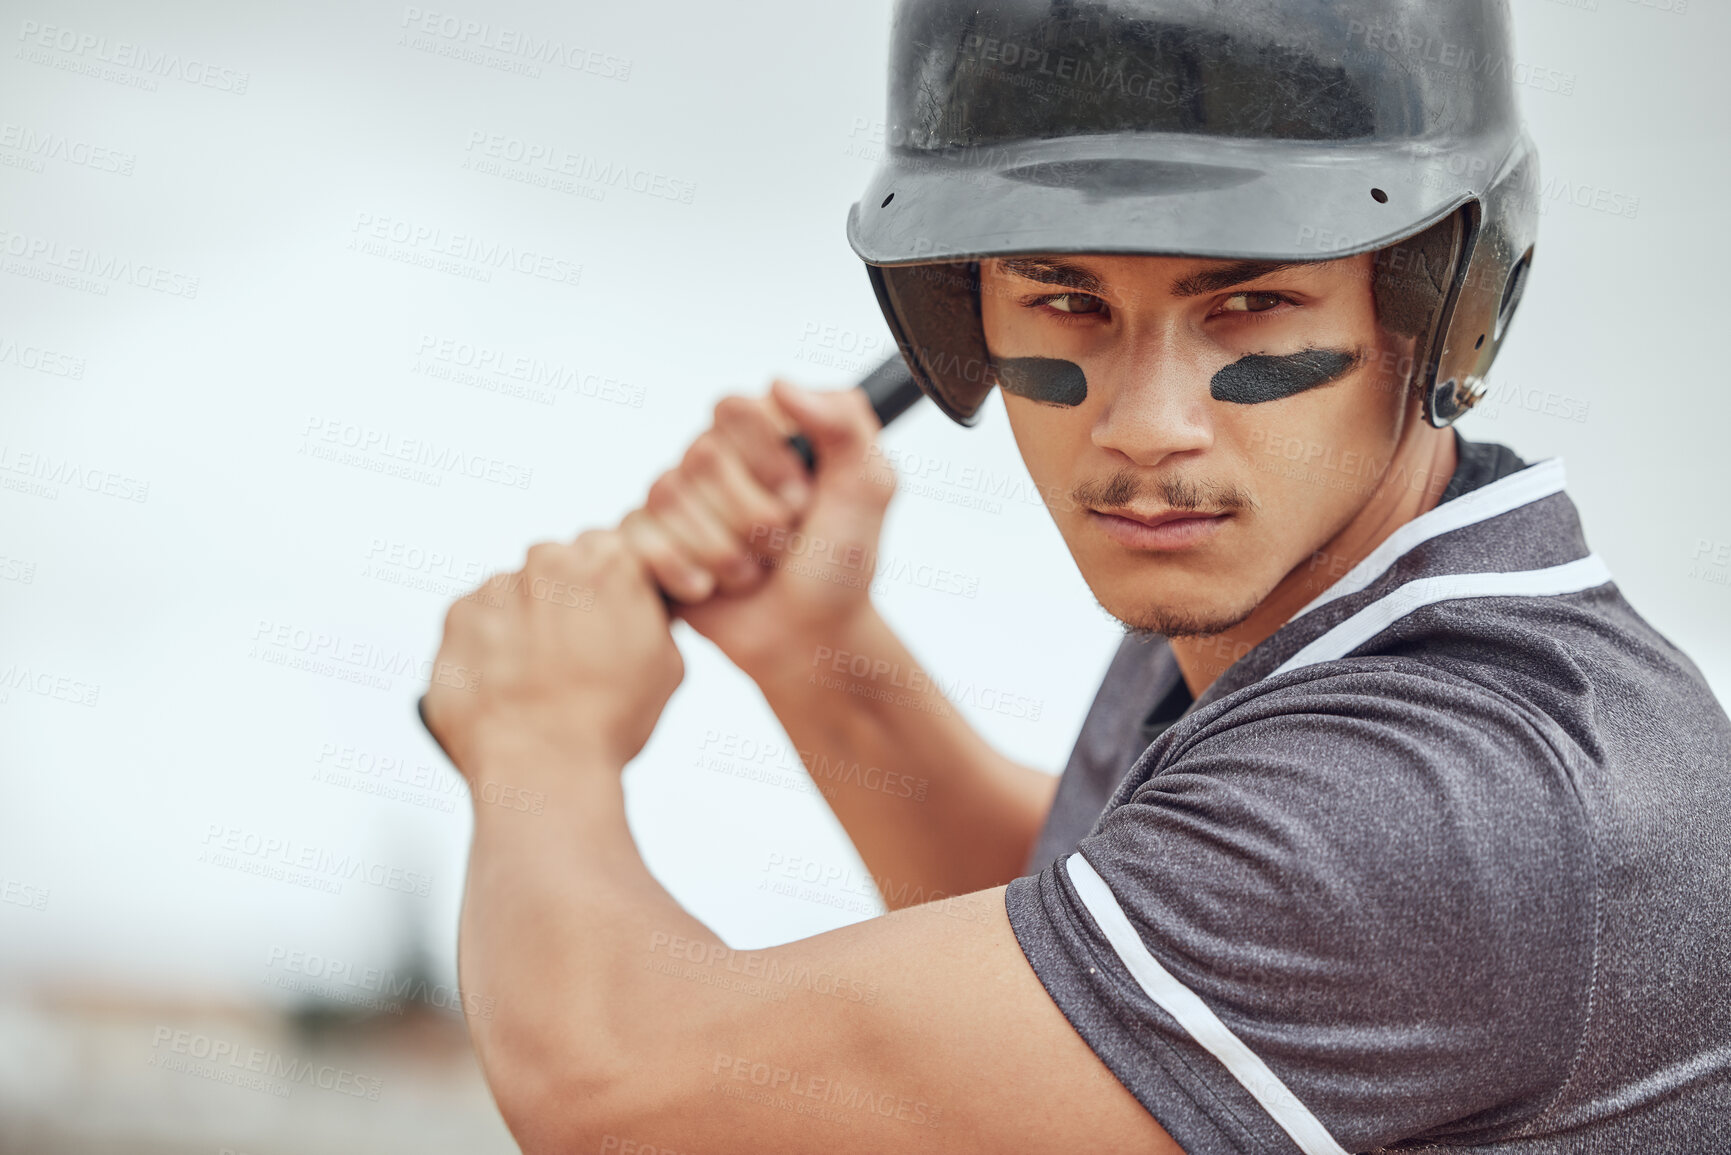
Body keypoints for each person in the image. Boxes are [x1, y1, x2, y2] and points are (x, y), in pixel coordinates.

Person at [420, 2, 1731, 1151]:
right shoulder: (1306, 597)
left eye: (1252, 305)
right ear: (965, 313)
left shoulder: (1438, 799)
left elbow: (619, 1101)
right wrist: (819, 656)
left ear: (1443, 304)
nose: (1143, 429)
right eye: (1067, 304)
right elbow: (1084, 966)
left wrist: (538, 743)